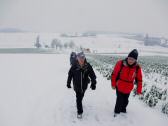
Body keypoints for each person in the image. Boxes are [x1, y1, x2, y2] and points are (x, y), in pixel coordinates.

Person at [111, 49, 143, 117]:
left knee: (125, 101)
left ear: (135, 60)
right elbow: (114, 74)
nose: (131, 61)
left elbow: (139, 80)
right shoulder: (120, 63)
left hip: (128, 88)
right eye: (130, 58)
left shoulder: (137, 68)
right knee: (119, 100)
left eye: (133, 59)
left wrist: (139, 90)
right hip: (119, 85)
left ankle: (123, 110)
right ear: (127, 57)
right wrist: (113, 84)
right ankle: (116, 113)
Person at [67, 52, 97, 118]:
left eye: (83, 58)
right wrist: (68, 83)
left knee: (81, 96)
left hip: (84, 86)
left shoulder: (88, 66)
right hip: (76, 85)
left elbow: (93, 75)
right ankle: (79, 112)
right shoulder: (74, 66)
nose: (82, 59)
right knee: (78, 98)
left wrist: (93, 83)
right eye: (80, 58)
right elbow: (70, 75)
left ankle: (79, 102)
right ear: (77, 58)